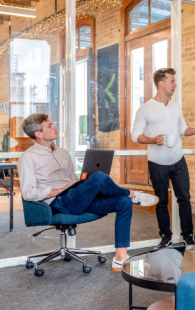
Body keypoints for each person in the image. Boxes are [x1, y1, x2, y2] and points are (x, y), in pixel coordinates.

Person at [18, 114, 159, 272]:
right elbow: (28, 193)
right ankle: (131, 194)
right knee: (99, 178)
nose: (55, 127)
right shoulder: (28, 158)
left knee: (122, 202)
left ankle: (120, 258)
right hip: (59, 203)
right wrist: (61, 189)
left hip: (75, 197)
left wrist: (80, 183)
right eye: (50, 125)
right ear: (38, 133)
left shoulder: (62, 153)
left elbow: (72, 179)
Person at [132, 68, 195, 248]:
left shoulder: (175, 107)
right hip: (157, 163)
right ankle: (165, 237)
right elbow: (135, 135)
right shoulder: (146, 109)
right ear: (161, 83)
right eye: (172, 81)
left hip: (178, 160)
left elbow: (183, 129)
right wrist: (153, 139)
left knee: (184, 199)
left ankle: (187, 236)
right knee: (161, 201)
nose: (175, 85)